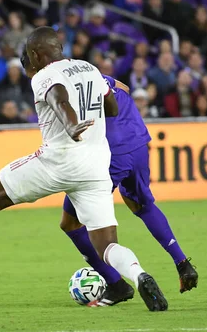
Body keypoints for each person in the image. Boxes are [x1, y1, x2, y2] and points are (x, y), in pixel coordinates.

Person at [0, 27, 169, 312]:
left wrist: (71, 123)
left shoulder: (44, 75)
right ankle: (139, 275)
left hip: (59, 161)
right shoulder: (89, 68)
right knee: (106, 244)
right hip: (96, 167)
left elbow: (58, 98)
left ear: (35, 54)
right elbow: (111, 107)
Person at [60, 73, 198, 298]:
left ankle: (116, 284)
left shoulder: (62, 88)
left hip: (112, 153)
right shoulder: (92, 73)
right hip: (138, 143)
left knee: (71, 223)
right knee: (142, 205)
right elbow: (123, 87)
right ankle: (182, 263)